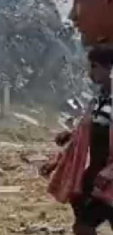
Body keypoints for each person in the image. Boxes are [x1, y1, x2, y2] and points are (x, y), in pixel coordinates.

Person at [44, 48, 113, 234]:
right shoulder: (100, 98)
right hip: (97, 174)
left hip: (108, 176)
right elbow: (88, 129)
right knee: (82, 220)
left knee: (84, 225)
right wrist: (70, 136)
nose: (90, 73)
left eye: (94, 67)